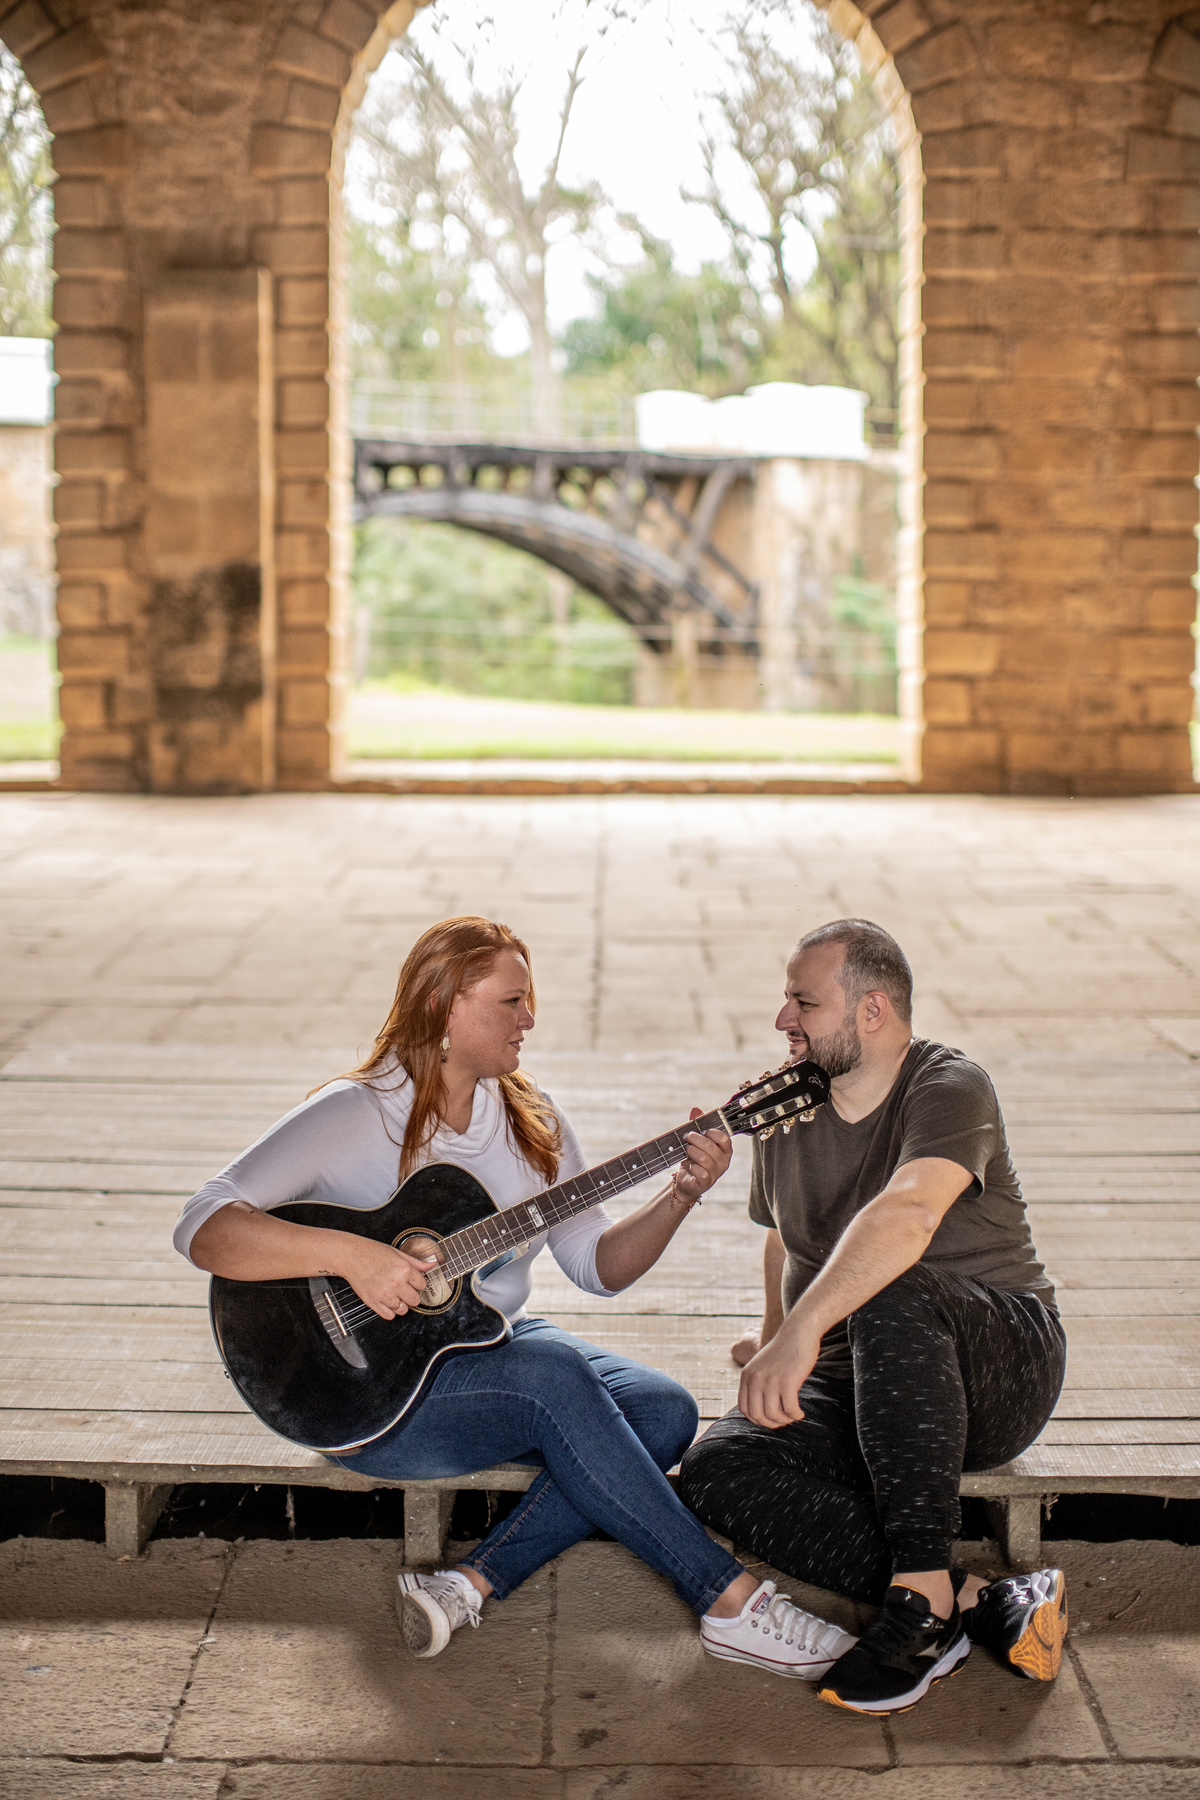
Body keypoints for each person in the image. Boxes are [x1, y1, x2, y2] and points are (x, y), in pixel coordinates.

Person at [176, 915, 855, 1677]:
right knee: (554, 1380)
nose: (529, 1019)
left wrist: (681, 1195)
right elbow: (203, 1225)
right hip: (363, 1394)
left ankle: (469, 1582)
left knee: (664, 1410)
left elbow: (597, 1267)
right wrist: (355, 1256)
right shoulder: (357, 1112)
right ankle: (730, 1603)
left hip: (481, 1348)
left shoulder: (529, 1119)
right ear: (443, 1006)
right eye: (511, 1001)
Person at [678, 918, 1069, 1716]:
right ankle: (969, 1597)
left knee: (893, 1281)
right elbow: (786, 1239)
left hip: (1001, 1361)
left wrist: (800, 1334)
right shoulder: (785, 1110)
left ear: (872, 1011)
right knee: (720, 1467)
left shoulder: (949, 1085)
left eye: (803, 1002)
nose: (784, 1019)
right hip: (872, 1373)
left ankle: (919, 1617)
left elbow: (910, 1213)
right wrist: (774, 1333)